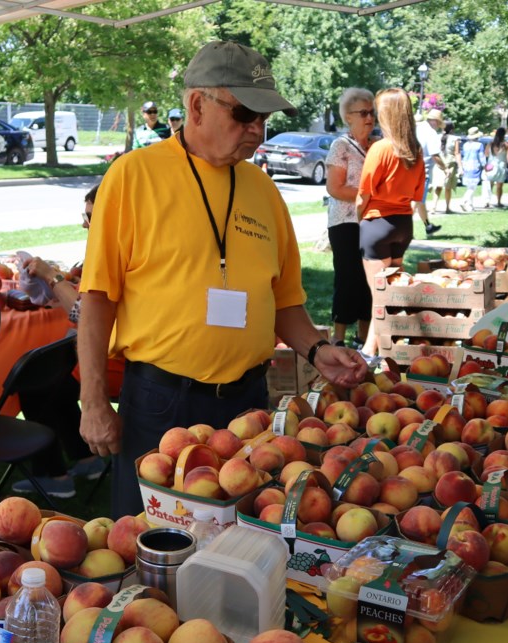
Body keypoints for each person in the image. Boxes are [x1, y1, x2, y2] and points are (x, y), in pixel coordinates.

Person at [76, 41, 369, 517]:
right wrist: (92, 400)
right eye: (244, 113)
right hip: (160, 403)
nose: (257, 129)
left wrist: (317, 350)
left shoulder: (265, 192)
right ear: (197, 104)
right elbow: (97, 299)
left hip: (245, 404)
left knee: (234, 542)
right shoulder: (133, 177)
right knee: (150, 541)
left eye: (264, 118)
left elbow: (285, 302)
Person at [10, 182, 110, 500]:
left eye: (90, 217)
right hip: (114, 357)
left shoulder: (110, 251)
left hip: (114, 362)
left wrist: (52, 276)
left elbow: (84, 312)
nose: (84, 223)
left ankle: (53, 474)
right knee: (56, 377)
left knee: (36, 382)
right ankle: (86, 458)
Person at [356, 87, 425, 356]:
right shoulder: (414, 151)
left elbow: (364, 194)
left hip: (377, 224)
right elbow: (418, 194)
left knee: (380, 297)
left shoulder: (380, 148)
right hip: (403, 225)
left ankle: (370, 351)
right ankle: (389, 348)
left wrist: (359, 221)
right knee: (392, 293)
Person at [325, 87, 375, 347]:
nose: (370, 118)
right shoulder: (341, 146)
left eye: (372, 113)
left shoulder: (378, 147)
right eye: (363, 113)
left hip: (372, 222)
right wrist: (369, 196)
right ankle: (339, 337)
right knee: (347, 278)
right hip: (344, 223)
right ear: (348, 117)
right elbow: (335, 188)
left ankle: (364, 339)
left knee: (369, 280)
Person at [413, 109, 444, 238]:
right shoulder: (431, 133)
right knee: (415, 201)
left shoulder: (417, 129)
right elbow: (435, 155)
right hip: (422, 172)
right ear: (436, 122)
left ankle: (428, 226)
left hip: (411, 169)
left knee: (420, 202)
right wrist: (445, 167)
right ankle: (406, 232)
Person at [431, 121, 459, 213]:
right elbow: (457, 153)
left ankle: (433, 207)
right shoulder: (455, 139)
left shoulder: (437, 137)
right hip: (450, 164)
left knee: (437, 186)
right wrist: (461, 166)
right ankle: (447, 208)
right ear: (452, 129)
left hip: (439, 164)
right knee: (448, 187)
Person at [483, 127, 508, 208]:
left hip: (491, 165)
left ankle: (487, 201)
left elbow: (486, 154)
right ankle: (498, 202)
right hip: (501, 166)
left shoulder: (490, 143)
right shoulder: (506, 145)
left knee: (489, 185)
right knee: (499, 186)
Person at [458, 126, 485, 212]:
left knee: (469, 186)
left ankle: (470, 205)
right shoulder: (479, 145)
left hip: (466, 166)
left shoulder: (465, 145)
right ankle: (463, 201)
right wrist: (484, 165)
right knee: (472, 188)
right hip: (475, 166)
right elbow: (481, 157)